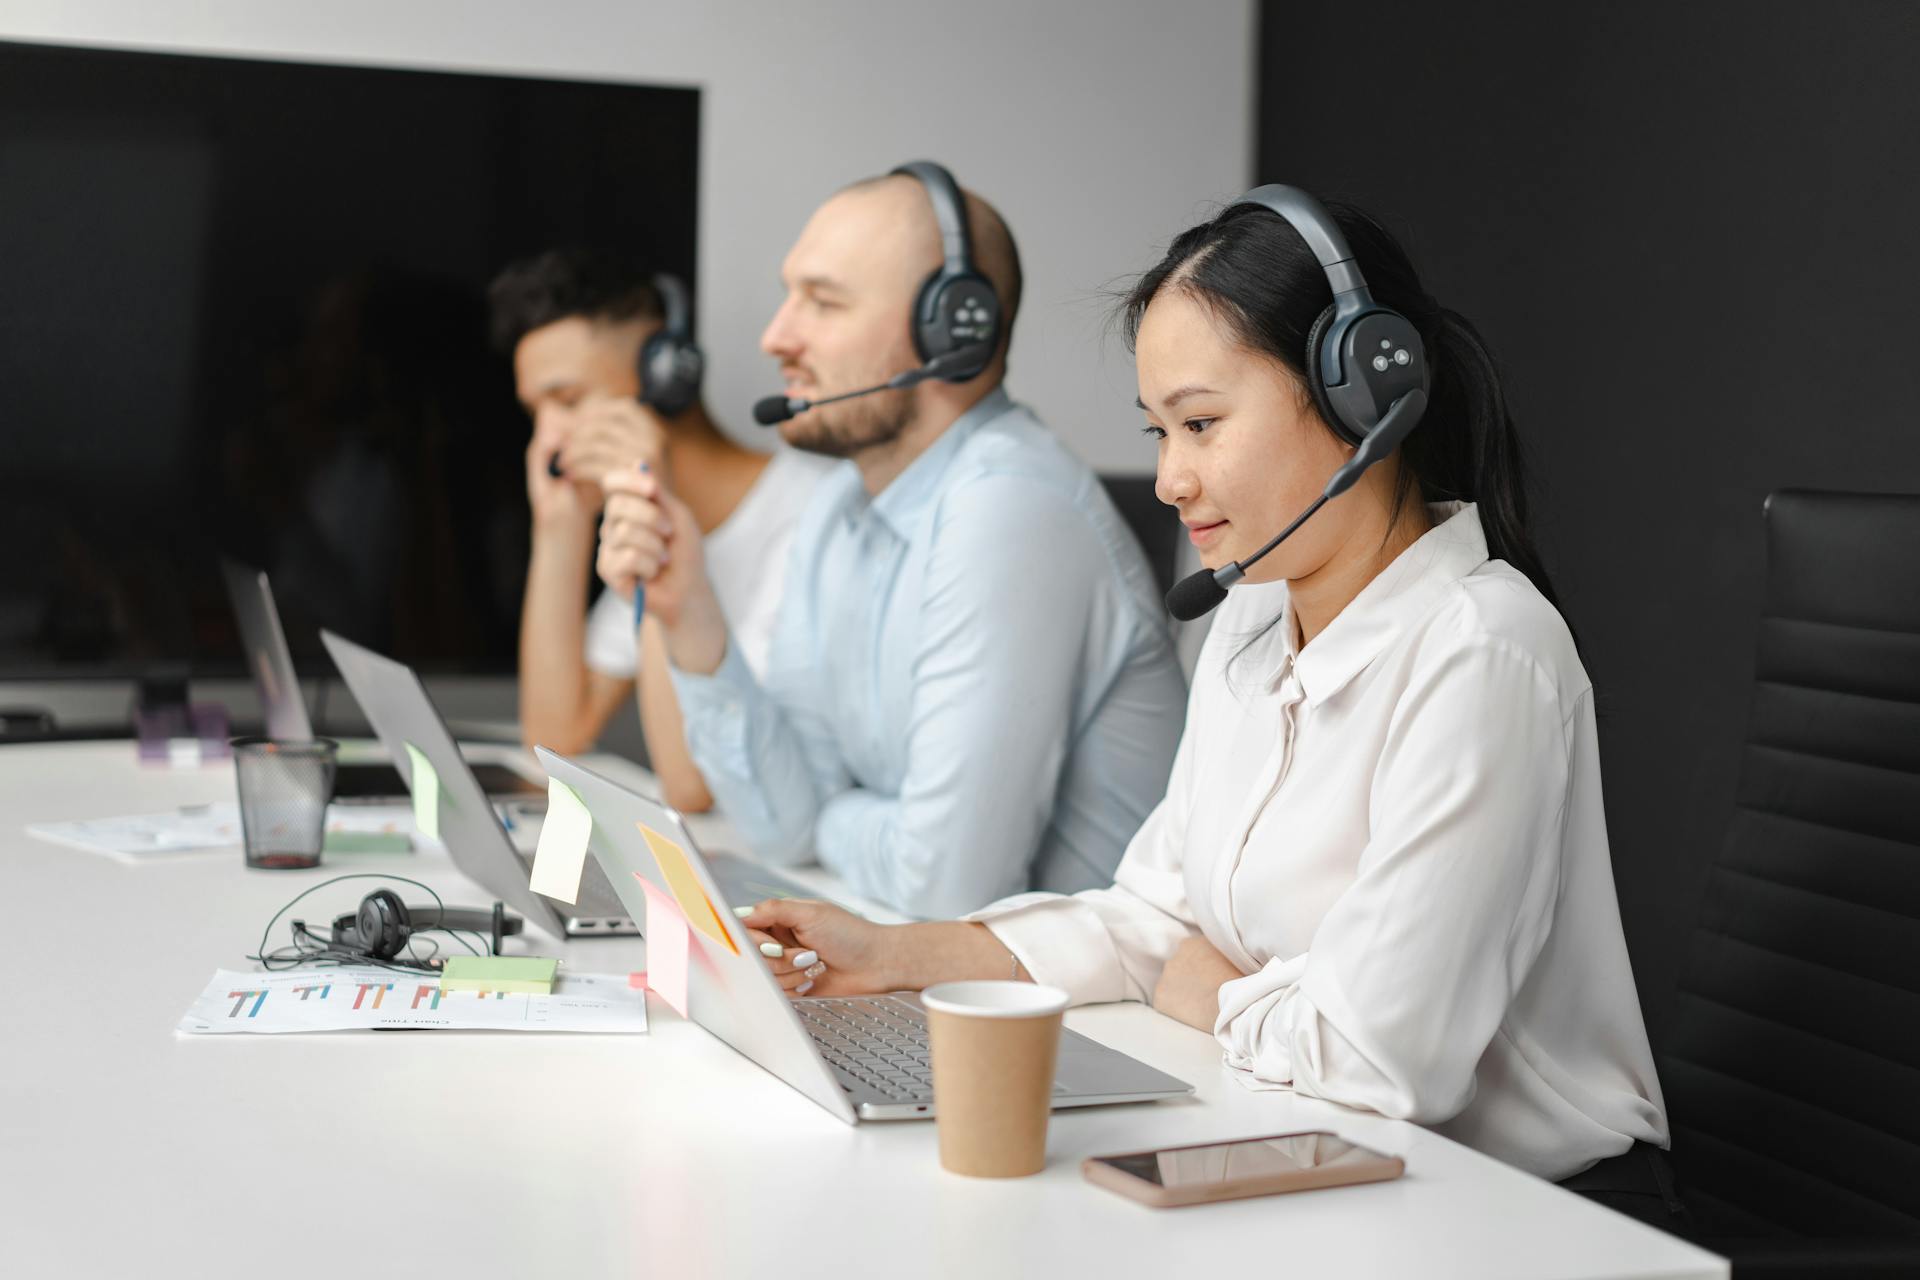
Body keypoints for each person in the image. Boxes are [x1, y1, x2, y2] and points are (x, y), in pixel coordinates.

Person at [730, 189, 1674, 1201]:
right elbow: (1147, 917)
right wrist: (895, 953)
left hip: (1523, 1210)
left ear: (1363, 393)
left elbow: (1377, 1059)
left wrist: (1202, 981)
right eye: (1159, 429)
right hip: (1325, 1159)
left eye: (1202, 423)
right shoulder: (1253, 618)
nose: (1171, 477)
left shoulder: (1486, 651)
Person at [594, 165, 1187, 918]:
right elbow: (782, 826)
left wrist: (837, 815)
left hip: (1076, 1017)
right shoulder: (841, 503)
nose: (777, 336)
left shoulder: (1011, 508)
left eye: (824, 301)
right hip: (936, 974)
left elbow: (944, 887)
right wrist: (691, 615)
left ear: (953, 330)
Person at [489, 251, 830, 810]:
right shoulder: (626, 533)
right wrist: (559, 528)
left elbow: (692, 786)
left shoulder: (812, 514)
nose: (547, 438)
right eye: (535, 413)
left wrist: (656, 521)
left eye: (568, 400)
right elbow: (554, 739)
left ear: (667, 375)